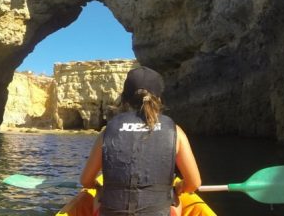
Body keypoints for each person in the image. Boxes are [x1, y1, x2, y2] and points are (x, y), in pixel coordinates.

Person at [80, 66, 202, 216]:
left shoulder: (108, 131)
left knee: (100, 197)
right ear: (159, 98)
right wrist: (178, 188)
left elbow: (86, 181)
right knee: (175, 199)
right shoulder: (175, 131)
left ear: (124, 99)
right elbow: (194, 183)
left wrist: (99, 188)